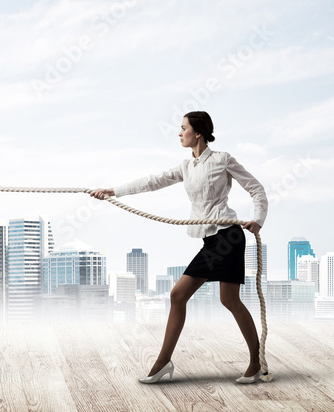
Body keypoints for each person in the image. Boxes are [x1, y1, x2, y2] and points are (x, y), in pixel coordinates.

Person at [89, 111, 268, 384]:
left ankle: (167, 362)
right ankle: (250, 364)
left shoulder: (222, 160)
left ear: (198, 132)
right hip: (211, 239)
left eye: (183, 128)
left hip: (228, 237)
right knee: (226, 300)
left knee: (180, 295)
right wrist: (112, 191)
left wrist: (257, 219)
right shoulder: (186, 167)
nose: (179, 132)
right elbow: (152, 181)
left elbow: (256, 189)